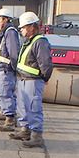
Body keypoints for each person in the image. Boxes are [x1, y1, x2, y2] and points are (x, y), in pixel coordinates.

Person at [9, 12, 53, 148]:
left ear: (31, 27)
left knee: (33, 108)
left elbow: (45, 63)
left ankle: (36, 136)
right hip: (23, 79)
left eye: (23, 27)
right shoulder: (28, 41)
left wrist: (44, 77)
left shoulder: (40, 42)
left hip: (33, 81)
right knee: (22, 107)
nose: (21, 30)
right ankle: (25, 130)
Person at [0, 8, 20, 132]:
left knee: (6, 93)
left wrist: (13, 69)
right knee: (2, 92)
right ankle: (5, 112)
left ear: (6, 19)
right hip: (1, 68)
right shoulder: (4, 31)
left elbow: (13, 53)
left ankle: (10, 120)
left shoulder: (10, 32)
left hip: (6, 69)